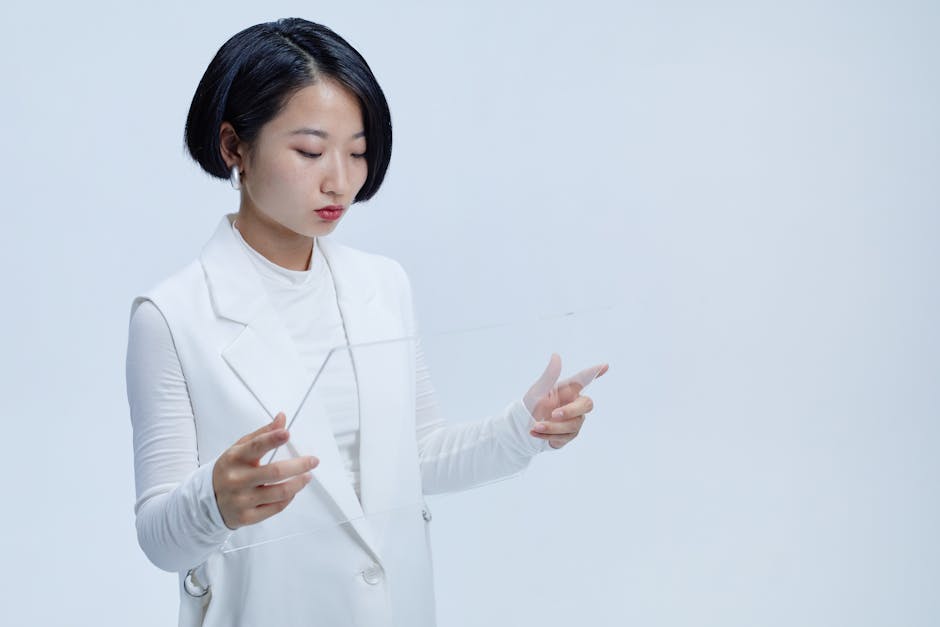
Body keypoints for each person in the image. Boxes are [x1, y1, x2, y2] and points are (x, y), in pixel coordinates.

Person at [125, 17, 608, 627]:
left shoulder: (383, 285)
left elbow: (418, 457)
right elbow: (158, 538)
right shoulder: (171, 316)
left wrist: (523, 427)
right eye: (309, 152)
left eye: (357, 152)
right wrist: (213, 502)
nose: (340, 180)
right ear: (233, 147)